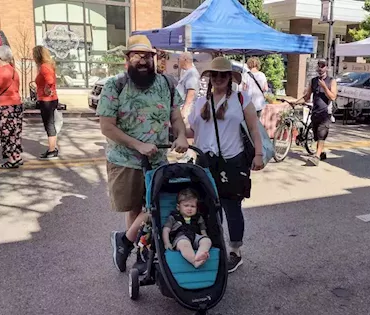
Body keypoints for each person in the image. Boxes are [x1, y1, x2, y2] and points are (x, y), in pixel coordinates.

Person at [97, 35, 189, 273]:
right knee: (136, 210)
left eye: (147, 55)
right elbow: (107, 126)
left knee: (158, 207)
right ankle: (140, 250)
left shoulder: (166, 84)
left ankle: (125, 242)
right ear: (128, 58)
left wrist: (180, 135)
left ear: (154, 58)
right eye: (137, 55)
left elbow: (176, 116)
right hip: (125, 160)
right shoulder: (114, 85)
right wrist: (137, 144)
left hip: (158, 160)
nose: (143, 60)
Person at [187, 57, 265, 272]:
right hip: (204, 162)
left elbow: (254, 130)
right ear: (210, 78)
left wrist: (258, 155)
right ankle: (215, 246)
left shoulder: (241, 99)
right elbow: (192, 132)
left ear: (230, 77)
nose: (219, 78)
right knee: (209, 208)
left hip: (233, 161)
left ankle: (235, 251)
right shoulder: (202, 102)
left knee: (231, 207)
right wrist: (173, 129)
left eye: (223, 75)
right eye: (215, 75)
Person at [0, 45, 23, 169]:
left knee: (7, 133)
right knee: (16, 132)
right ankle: (17, 156)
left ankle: (11, 160)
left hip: (5, 106)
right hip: (17, 105)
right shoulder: (14, 71)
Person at [299, 60, 337, 165]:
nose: (320, 68)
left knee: (321, 134)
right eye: (319, 66)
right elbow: (307, 96)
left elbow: (333, 97)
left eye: (323, 66)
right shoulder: (313, 81)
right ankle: (321, 153)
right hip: (315, 111)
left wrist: (325, 87)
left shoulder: (331, 81)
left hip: (325, 112)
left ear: (326, 68)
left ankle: (316, 157)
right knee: (316, 136)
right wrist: (296, 102)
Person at [163, 188, 212, 268]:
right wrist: (167, 243)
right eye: (186, 206)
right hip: (180, 238)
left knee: (207, 241)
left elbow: (203, 231)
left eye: (193, 206)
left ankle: (200, 254)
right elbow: (166, 230)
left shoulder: (198, 217)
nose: (189, 208)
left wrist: (205, 237)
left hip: (195, 236)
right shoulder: (173, 217)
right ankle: (194, 261)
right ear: (178, 207)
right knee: (184, 243)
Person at [33, 46, 60, 160]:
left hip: (47, 100)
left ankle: (52, 150)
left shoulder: (44, 67)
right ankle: (52, 148)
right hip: (50, 99)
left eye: (34, 54)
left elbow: (50, 81)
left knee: (49, 125)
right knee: (50, 124)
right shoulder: (48, 66)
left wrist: (47, 89)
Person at [177, 52, 200, 122]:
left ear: (185, 60)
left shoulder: (192, 73)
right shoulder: (188, 72)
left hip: (186, 108)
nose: (178, 61)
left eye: (179, 59)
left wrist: (184, 110)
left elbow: (191, 92)